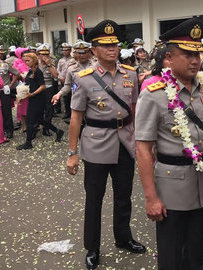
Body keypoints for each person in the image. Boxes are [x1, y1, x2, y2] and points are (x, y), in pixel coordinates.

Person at [134, 18, 203, 270]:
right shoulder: (153, 94)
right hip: (171, 187)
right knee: (171, 255)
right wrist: (150, 197)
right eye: (186, 54)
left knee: (196, 251)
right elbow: (143, 149)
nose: (194, 60)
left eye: (197, 53)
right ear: (168, 58)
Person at [66, 20, 146, 269]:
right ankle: (92, 247)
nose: (112, 49)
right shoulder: (84, 78)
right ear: (94, 49)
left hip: (124, 142)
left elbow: (133, 110)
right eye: (105, 45)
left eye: (115, 45)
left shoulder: (130, 74)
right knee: (94, 199)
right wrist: (72, 153)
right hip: (96, 143)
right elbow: (76, 117)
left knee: (124, 196)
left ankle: (123, 238)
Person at [16, 53, 64, 150]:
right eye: (25, 61)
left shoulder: (38, 71)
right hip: (32, 98)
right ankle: (58, 131)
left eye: (28, 60)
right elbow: (27, 85)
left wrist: (32, 94)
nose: (26, 62)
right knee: (39, 120)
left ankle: (28, 142)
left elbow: (43, 86)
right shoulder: (30, 71)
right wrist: (21, 95)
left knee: (30, 120)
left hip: (38, 99)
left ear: (34, 61)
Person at [0, 47, 20, 139]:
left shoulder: (5, 65)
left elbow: (17, 73)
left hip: (4, 91)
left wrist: (11, 84)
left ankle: (8, 130)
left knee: (6, 112)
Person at [51, 41, 93, 106]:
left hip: (93, 99)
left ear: (89, 53)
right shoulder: (71, 69)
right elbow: (67, 85)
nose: (82, 55)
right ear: (75, 53)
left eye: (84, 52)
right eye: (79, 53)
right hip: (78, 100)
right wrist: (59, 94)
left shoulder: (96, 66)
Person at [37, 44, 59, 136]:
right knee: (38, 109)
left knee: (48, 110)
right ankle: (36, 126)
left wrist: (49, 64)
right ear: (39, 55)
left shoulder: (51, 62)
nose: (45, 57)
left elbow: (55, 76)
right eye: (43, 54)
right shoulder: (35, 63)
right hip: (38, 88)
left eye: (47, 54)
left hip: (48, 88)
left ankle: (46, 128)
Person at [13, 47, 30, 132]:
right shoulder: (19, 66)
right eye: (24, 56)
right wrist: (20, 76)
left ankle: (33, 124)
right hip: (22, 87)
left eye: (27, 56)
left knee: (32, 107)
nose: (25, 58)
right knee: (23, 107)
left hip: (32, 87)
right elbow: (15, 76)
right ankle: (24, 125)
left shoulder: (33, 65)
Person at [57, 42, 73, 119]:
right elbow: (58, 70)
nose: (65, 52)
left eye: (66, 50)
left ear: (70, 50)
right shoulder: (61, 60)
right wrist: (60, 78)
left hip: (71, 82)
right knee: (65, 97)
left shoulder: (73, 60)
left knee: (72, 97)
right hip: (63, 81)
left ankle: (73, 112)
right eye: (63, 50)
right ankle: (67, 112)